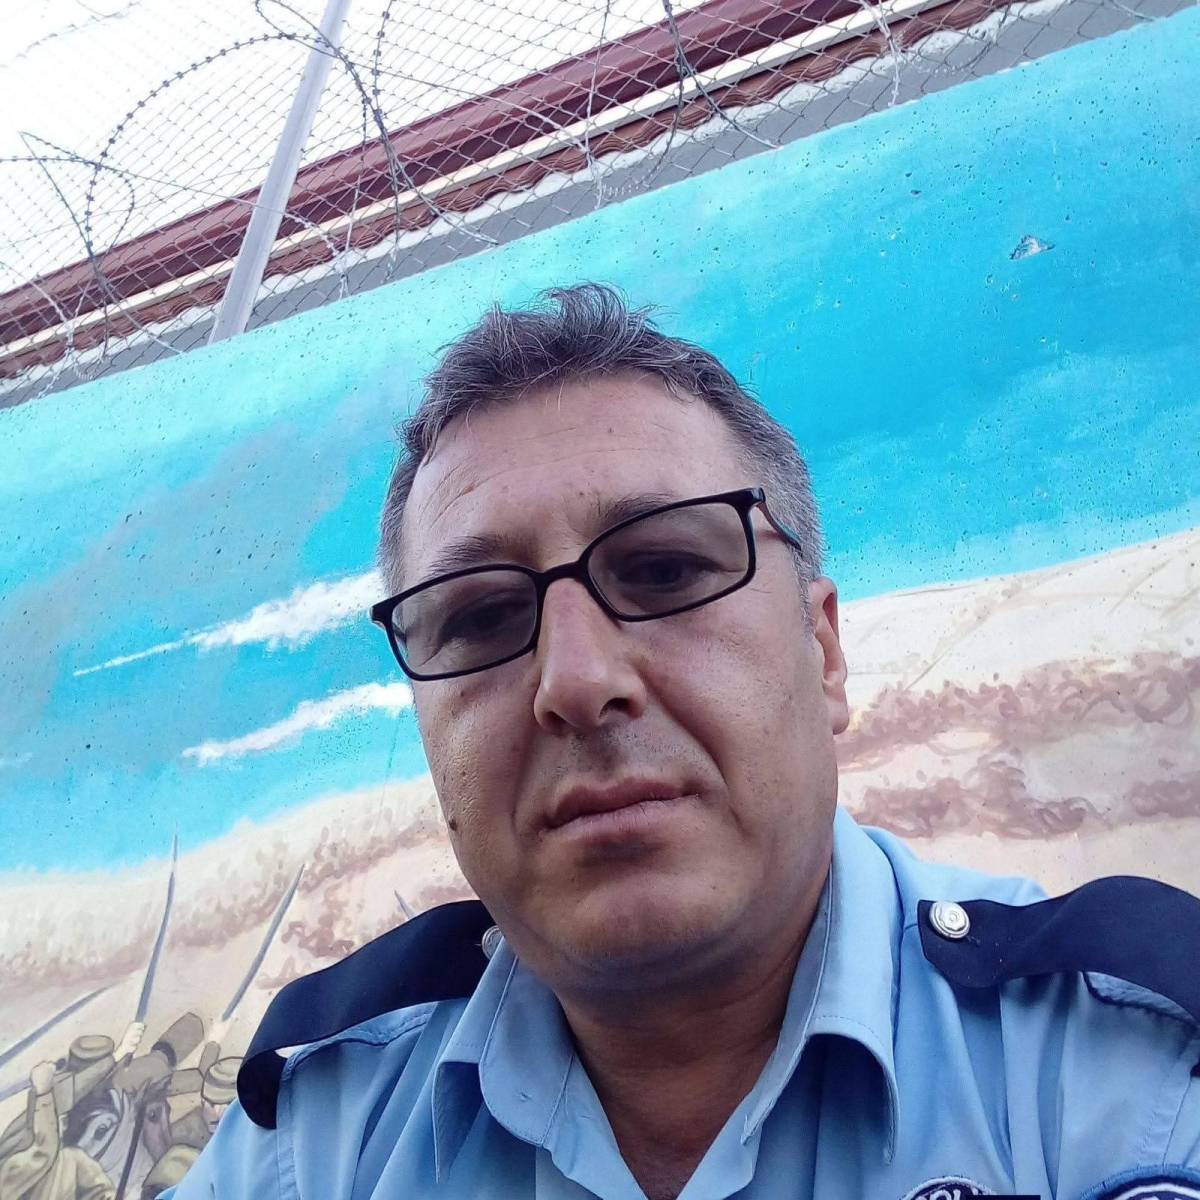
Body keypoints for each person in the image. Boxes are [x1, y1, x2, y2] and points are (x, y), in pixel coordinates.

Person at [164, 285, 1200, 1200]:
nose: (577, 682)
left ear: (823, 652)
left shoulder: (1129, 1076)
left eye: (664, 571)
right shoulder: (321, 1134)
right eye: (480, 616)